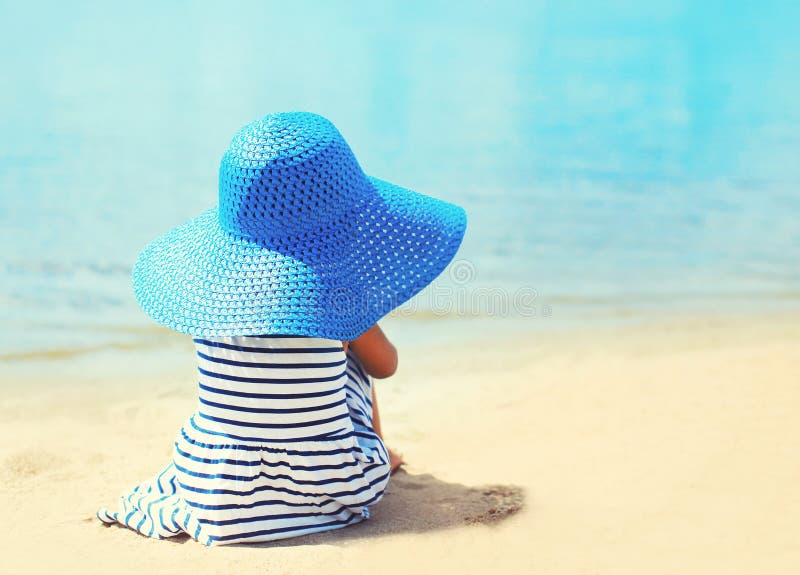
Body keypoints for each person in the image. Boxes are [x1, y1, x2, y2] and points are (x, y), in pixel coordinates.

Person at [96, 111, 467, 546]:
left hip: (217, 491)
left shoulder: (211, 300)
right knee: (354, 363)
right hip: (334, 490)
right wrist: (353, 329)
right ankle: (382, 456)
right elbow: (386, 366)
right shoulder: (338, 294)